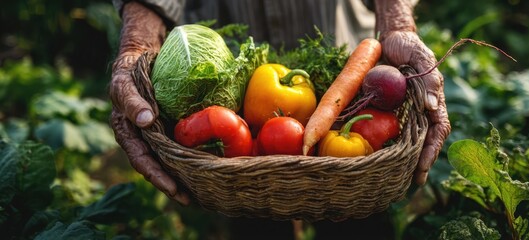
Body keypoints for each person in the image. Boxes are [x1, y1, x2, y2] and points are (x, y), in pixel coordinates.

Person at [109, 0, 451, 238]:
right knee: (252, 219)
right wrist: (138, 47)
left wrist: (396, 24)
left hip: (348, 64)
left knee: (359, 221)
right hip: (233, 97)